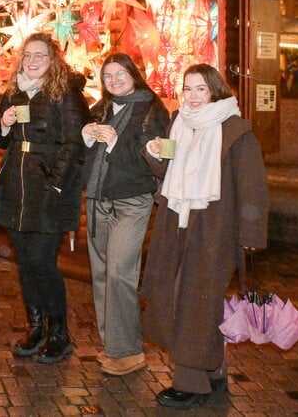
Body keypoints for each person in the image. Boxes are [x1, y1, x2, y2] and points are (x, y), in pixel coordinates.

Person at [142, 64, 269, 410]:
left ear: (215, 90)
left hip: (215, 230)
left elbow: (252, 188)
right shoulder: (179, 122)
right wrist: (154, 155)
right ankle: (213, 369)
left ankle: (190, 382)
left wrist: (250, 235)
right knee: (179, 297)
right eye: (188, 89)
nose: (193, 96)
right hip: (176, 223)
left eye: (200, 89)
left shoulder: (235, 131)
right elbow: (169, 174)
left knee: (195, 303)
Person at [0, 32, 89, 364]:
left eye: (40, 56)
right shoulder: (14, 92)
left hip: (48, 192)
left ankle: (59, 333)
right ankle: (36, 327)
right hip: (16, 189)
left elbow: (76, 143)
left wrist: (55, 184)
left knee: (42, 263)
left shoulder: (65, 94)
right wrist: (3, 123)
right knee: (25, 264)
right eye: (28, 56)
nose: (32, 61)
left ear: (54, 60)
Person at [80, 53, 169, 376]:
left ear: (134, 74)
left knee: (120, 272)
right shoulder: (101, 108)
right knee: (102, 274)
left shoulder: (152, 111)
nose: (114, 80)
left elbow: (155, 162)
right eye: (107, 76)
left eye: (120, 74)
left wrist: (117, 145)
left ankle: (130, 351)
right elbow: (84, 158)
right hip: (99, 199)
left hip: (132, 200)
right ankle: (114, 347)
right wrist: (85, 138)